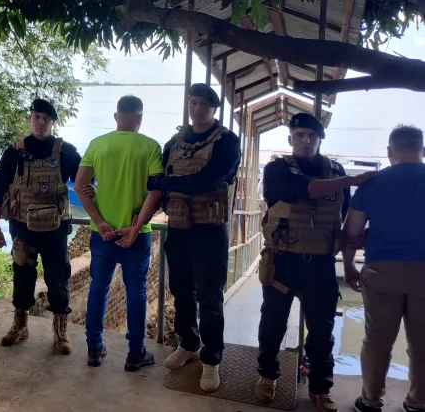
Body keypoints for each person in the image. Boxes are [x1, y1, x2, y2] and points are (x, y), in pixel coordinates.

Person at [255, 112, 374, 412]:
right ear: (291, 139)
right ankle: (267, 376)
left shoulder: (336, 170)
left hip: (320, 264)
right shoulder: (277, 170)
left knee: (322, 330)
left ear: (320, 139)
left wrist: (348, 264)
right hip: (282, 261)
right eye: (299, 135)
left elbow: (345, 221)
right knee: (272, 325)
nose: (306, 141)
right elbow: (300, 189)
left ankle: (321, 388)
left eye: (312, 136)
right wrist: (353, 180)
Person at [149, 83, 241, 392]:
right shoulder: (174, 142)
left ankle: (212, 359)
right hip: (179, 228)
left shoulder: (226, 141)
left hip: (210, 230)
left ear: (213, 108)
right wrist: (166, 192)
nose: (197, 108)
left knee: (210, 297)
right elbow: (160, 185)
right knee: (180, 290)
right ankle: (188, 344)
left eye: (204, 103)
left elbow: (208, 179)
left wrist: (168, 182)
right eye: (193, 102)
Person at [74, 95, 163, 371]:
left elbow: (79, 186)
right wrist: (136, 227)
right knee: (136, 291)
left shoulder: (97, 145)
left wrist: (99, 221)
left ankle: (93, 348)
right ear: (140, 118)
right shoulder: (150, 147)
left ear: (116, 116)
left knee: (97, 289)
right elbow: (156, 191)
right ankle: (135, 353)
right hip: (136, 236)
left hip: (103, 236)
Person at [0, 99, 81, 354]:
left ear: (53, 122)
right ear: (30, 118)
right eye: (37, 117)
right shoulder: (15, 152)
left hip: (55, 231)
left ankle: (61, 332)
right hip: (22, 229)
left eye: (46, 119)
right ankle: (20, 326)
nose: (41, 122)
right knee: (22, 278)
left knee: (58, 280)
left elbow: (85, 182)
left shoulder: (66, 152)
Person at [345, 125, 425, 412]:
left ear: (390, 151)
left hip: (382, 272)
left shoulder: (373, 183)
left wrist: (350, 266)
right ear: (422, 149)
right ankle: (418, 403)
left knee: (377, 341)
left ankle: (370, 401)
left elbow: (352, 231)